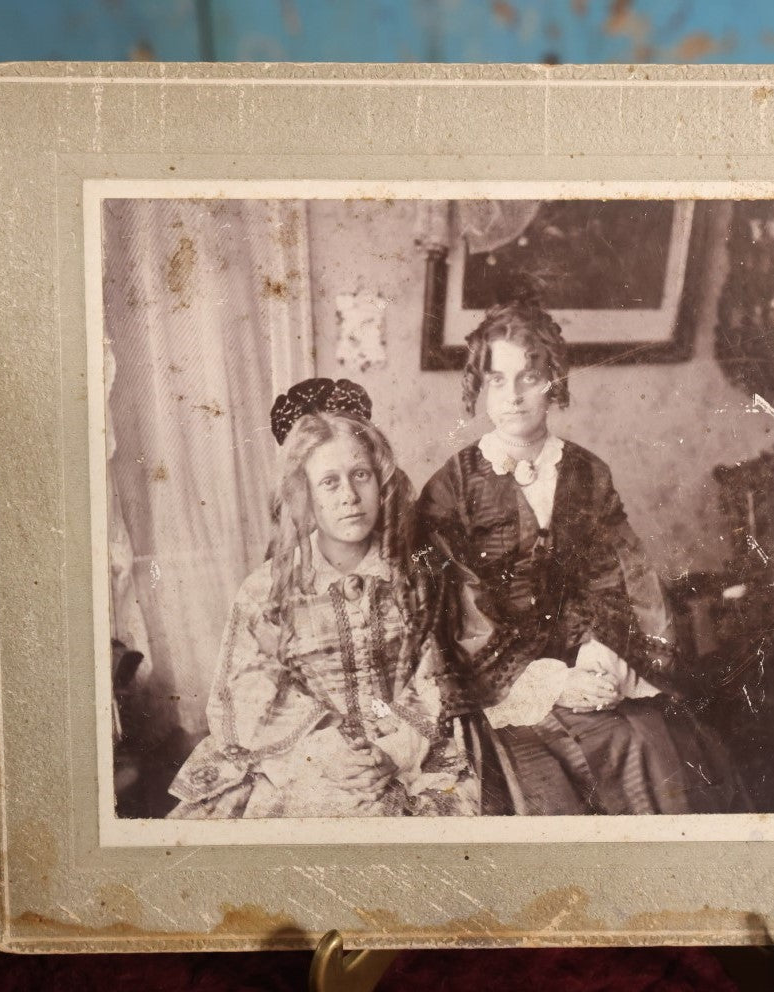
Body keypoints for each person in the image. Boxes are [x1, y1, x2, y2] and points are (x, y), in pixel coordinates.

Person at [418, 300, 734, 815]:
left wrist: (598, 658)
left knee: (656, 743)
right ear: (480, 386)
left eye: (529, 377)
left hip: (589, 657)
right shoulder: (453, 484)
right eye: (497, 381)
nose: (514, 396)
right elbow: (458, 605)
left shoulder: (587, 472)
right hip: (502, 678)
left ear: (554, 380)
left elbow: (621, 575)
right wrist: (551, 680)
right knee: (565, 766)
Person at [169, 378, 479, 819]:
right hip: (299, 758)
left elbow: (432, 681)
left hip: (402, 754)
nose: (350, 497)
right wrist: (321, 752)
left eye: (360, 476)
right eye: (329, 482)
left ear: (381, 482)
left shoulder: (415, 580)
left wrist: (389, 751)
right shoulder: (268, 589)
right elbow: (248, 694)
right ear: (305, 495)